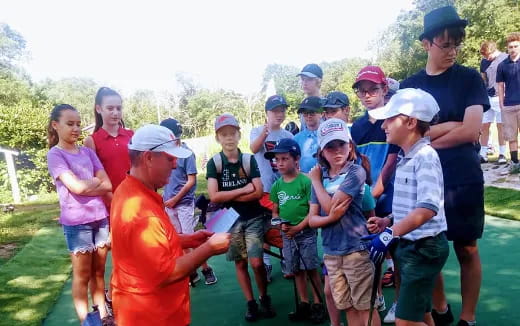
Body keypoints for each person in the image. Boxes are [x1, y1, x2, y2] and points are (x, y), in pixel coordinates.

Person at [399, 6, 490, 326]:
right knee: (428, 248)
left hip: (462, 176)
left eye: (457, 43)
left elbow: (471, 129)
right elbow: (406, 134)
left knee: (467, 248)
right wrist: (449, 125)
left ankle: (468, 318)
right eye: (445, 43)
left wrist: (425, 141)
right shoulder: (410, 87)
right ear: (426, 43)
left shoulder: (468, 78)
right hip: (424, 182)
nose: (453, 51)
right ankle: (441, 310)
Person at [110, 124, 230, 326]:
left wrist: (188, 240)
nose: (175, 165)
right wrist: (209, 248)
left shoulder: (129, 190)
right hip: (154, 315)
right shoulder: (142, 212)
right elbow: (166, 273)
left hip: (142, 308)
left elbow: (147, 247)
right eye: (170, 158)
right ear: (148, 158)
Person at [364, 88, 449, 326]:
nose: (384, 126)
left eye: (390, 119)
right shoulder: (406, 157)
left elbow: (427, 208)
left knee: (404, 322)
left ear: (411, 122)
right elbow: (410, 206)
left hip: (423, 248)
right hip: (411, 245)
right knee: (421, 313)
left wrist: (390, 233)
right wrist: (388, 220)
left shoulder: (425, 156)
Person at [308, 118, 381, 326]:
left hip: (355, 251)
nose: (337, 150)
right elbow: (312, 220)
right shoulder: (320, 179)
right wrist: (330, 218)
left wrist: (314, 182)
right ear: (322, 151)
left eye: (341, 144)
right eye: (330, 147)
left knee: (365, 307)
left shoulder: (356, 172)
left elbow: (330, 206)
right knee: (346, 306)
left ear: (350, 146)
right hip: (331, 252)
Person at [46, 104, 113, 324]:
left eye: (78, 124)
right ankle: (87, 320)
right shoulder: (55, 155)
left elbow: (108, 184)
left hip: (100, 218)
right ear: (55, 125)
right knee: (82, 275)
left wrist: (89, 185)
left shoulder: (87, 152)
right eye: (69, 123)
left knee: (98, 272)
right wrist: (94, 182)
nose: (75, 128)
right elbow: (76, 187)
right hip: (77, 223)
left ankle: (103, 315)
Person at [208, 113, 276, 321]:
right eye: (224, 134)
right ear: (218, 137)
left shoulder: (247, 160)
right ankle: (251, 303)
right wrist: (243, 190)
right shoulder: (215, 163)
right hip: (232, 221)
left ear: (239, 135)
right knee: (240, 263)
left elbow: (258, 191)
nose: (229, 138)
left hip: (254, 217)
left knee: (256, 263)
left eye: (232, 133)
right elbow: (214, 196)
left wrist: (232, 196)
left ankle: (264, 297)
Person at [83, 87, 133, 315]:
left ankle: (121, 295)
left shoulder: (131, 136)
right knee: (104, 261)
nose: (115, 113)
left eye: (118, 108)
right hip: (107, 209)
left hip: (135, 205)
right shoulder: (91, 141)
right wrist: (116, 203)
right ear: (98, 109)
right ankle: (105, 302)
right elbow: (95, 179)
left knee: (133, 253)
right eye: (110, 108)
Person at [265, 138, 325, 323]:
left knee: (310, 267)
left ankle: (318, 303)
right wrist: (279, 223)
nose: (280, 163)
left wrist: (298, 227)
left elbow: (312, 210)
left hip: (305, 232)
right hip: (287, 234)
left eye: (284, 159)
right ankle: (304, 304)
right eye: (277, 160)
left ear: (296, 159)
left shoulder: (306, 181)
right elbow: (275, 211)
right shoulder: (277, 185)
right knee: (296, 269)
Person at [160, 118, 217, 286]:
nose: (174, 140)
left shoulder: (186, 153)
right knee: (179, 238)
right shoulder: (163, 154)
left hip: (183, 203)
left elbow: (191, 180)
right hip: (169, 203)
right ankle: (191, 270)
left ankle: (206, 269)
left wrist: (175, 199)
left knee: (191, 236)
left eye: (176, 137)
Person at [250, 95, 293, 280]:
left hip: (284, 188)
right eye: (275, 110)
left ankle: (286, 258)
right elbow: (253, 149)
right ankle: (266, 263)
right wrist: (264, 134)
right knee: (266, 226)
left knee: (284, 224)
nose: (279, 114)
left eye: (282, 110)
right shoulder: (257, 130)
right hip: (265, 189)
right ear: (266, 112)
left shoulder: (288, 135)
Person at [351, 66, 399, 218]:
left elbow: (391, 164)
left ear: (384, 89)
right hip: (363, 198)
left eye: (373, 89)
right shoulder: (357, 126)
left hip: (389, 199)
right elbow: (356, 163)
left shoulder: (395, 120)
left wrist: (372, 197)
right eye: (362, 90)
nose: (367, 95)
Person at [479, 41, 508, 164]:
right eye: (484, 56)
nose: (486, 58)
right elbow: (483, 79)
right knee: (484, 125)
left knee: (500, 126)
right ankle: (483, 154)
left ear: (493, 50)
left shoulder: (505, 59)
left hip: (501, 97)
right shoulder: (484, 62)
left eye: (488, 55)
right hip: (488, 98)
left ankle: (502, 153)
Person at [497, 32, 520, 169]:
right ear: (507, 48)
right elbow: (500, 85)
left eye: (516, 46)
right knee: (511, 136)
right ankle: (515, 163)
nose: (513, 49)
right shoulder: (502, 65)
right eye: (510, 47)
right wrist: (501, 103)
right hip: (509, 105)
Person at [293, 96, 323, 173]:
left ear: (321, 114)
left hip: (326, 180)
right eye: (305, 114)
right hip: (304, 181)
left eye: (312, 113)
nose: (308, 116)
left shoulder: (327, 135)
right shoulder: (296, 139)